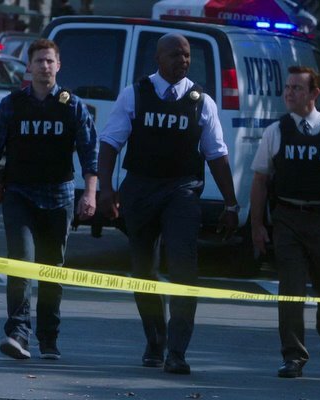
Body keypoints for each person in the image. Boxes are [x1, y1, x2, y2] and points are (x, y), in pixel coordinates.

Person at [97, 33, 239, 375]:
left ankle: (177, 351)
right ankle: (155, 340)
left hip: (182, 191)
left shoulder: (201, 101)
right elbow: (110, 143)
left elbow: (216, 155)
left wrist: (231, 204)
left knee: (183, 268)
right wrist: (105, 189)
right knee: (143, 271)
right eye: (175, 54)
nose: (183, 60)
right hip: (141, 190)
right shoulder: (135, 94)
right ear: (158, 58)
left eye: (187, 55)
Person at [0, 39, 98, 360]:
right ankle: (18, 333)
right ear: (29, 66)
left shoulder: (72, 106)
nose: (44, 66)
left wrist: (91, 193)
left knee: (52, 270)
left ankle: (49, 337)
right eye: (39, 61)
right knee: (20, 263)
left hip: (59, 197)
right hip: (19, 195)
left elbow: (89, 154)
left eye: (50, 61)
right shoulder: (12, 104)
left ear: (59, 65)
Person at [249, 66, 320, 378]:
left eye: (297, 88)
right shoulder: (277, 131)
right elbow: (260, 181)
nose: (289, 93)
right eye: (287, 87)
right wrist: (257, 225)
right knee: (291, 288)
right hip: (287, 218)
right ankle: (293, 356)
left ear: (315, 93)